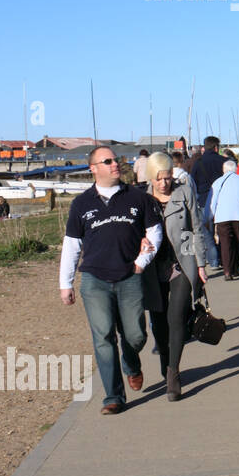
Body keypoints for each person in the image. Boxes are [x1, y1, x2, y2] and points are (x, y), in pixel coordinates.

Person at [59, 145, 162, 415]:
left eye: (116, 160)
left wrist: (141, 263)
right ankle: (114, 396)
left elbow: (155, 232)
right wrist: (65, 283)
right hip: (94, 280)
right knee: (103, 338)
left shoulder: (138, 198)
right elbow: (71, 245)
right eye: (107, 161)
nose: (115, 165)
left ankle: (132, 362)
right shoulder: (81, 203)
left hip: (130, 276)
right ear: (93, 168)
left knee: (136, 335)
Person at [142, 153, 209, 401]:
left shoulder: (184, 193)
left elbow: (196, 228)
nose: (164, 184)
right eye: (159, 179)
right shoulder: (142, 198)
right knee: (158, 325)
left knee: (176, 317)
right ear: (151, 177)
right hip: (152, 268)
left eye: (168, 177)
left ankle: (173, 374)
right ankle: (165, 360)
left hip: (181, 263)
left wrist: (200, 264)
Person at [208, 159, 239, 280]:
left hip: (222, 216)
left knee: (225, 243)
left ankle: (227, 271)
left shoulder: (217, 182)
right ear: (236, 169)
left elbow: (212, 201)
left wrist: (208, 217)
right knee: (237, 241)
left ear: (224, 170)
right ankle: (235, 268)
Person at [191, 137, 225, 269]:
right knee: (222, 231)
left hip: (204, 200)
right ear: (216, 147)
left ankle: (213, 260)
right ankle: (224, 257)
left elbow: (193, 184)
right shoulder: (224, 161)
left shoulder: (198, 163)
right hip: (222, 201)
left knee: (207, 232)